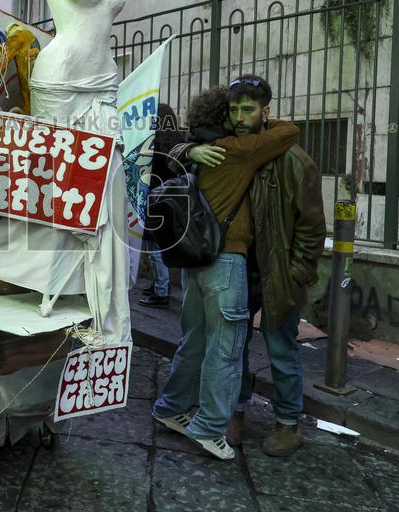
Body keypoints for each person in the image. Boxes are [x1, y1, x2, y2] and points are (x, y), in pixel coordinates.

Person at [0, 0, 131, 345]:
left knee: (107, 198)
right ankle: (38, 284)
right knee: (54, 188)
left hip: (103, 84)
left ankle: (102, 308)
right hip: (60, 80)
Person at [151, 84, 299, 460]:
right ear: (224, 118)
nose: (239, 119)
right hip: (225, 260)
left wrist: (188, 146)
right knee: (226, 350)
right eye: (234, 112)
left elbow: (172, 149)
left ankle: (170, 408)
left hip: (194, 263)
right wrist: (265, 117)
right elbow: (290, 132)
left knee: (194, 342)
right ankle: (209, 427)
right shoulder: (236, 151)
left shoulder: (195, 151)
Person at [185, 76, 326, 456]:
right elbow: (176, 143)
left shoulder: (294, 161)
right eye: (234, 110)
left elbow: (312, 227)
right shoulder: (227, 149)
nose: (239, 117)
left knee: (282, 349)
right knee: (236, 346)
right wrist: (189, 150)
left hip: (279, 271)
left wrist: (298, 273)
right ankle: (235, 411)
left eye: (248, 110)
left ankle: (287, 423)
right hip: (241, 266)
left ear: (266, 111)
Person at [139, 103, 185, 307]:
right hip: (172, 200)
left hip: (154, 199)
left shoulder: (152, 146)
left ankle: (161, 291)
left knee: (154, 246)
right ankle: (159, 284)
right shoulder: (178, 142)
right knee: (161, 245)